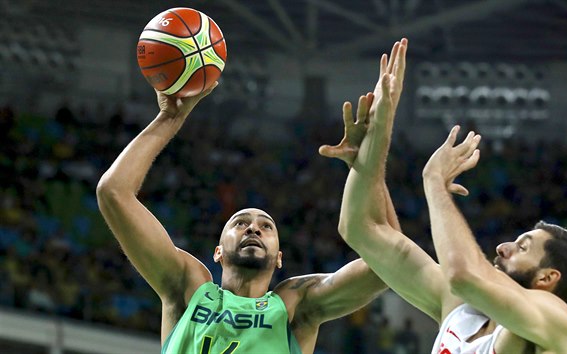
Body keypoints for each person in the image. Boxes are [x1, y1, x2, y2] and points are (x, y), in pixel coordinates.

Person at [96, 40, 407, 354]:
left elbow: (391, 263)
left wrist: (369, 162)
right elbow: (113, 193)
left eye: (266, 226)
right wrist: (169, 119)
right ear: (217, 252)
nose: (253, 228)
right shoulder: (188, 287)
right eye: (240, 223)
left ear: (280, 257)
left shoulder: (294, 304)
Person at [336, 38, 567, 353]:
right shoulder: (462, 310)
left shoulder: (559, 324)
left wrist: (433, 181)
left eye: (523, 247)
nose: (503, 247)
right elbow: (363, 230)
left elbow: (463, 274)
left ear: (547, 278)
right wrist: (376, 137)